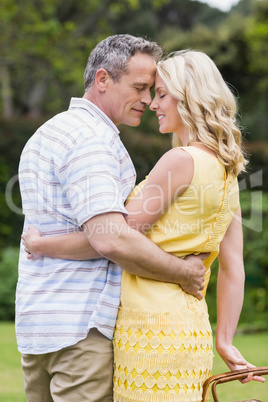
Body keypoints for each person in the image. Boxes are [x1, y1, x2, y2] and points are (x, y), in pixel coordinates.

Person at [23, 49, 265, 401]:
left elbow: (113, 237)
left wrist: (43, 244)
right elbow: (234, 267)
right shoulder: (227, 171)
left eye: (162, 94)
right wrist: (224, 340)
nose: (153, 103)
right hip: (191, 326)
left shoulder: (179, 161)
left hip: (150, 326)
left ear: (190, 99)